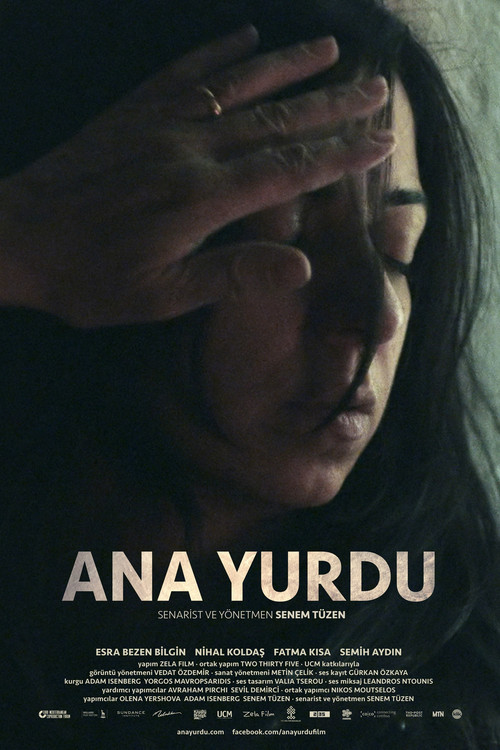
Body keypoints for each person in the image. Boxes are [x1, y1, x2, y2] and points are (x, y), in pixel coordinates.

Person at [0, 0, 499, 747]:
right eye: (288, 236)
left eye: (398, 251)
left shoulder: (457, 679)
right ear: (96, 233)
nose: (376, 317)